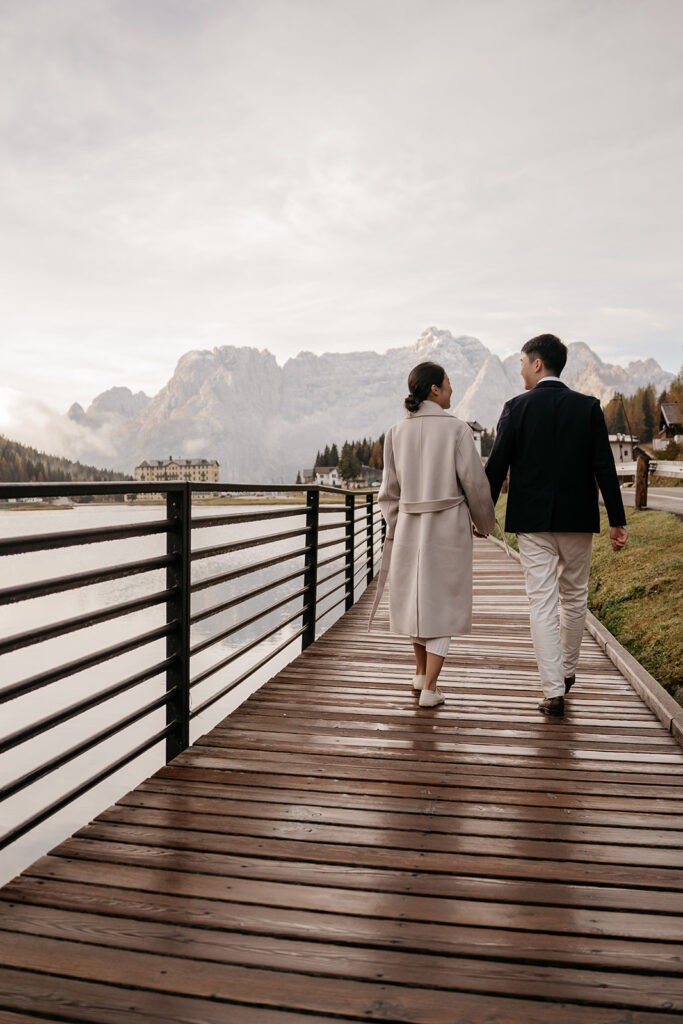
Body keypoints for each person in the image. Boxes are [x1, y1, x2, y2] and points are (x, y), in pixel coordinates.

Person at [485, 333, 628, 717]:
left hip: (532, 523)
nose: (519, 370)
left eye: (521, 362)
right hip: (578, 519)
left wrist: (480, 516)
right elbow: (605, 467)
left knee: (542, 601)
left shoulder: (516, 408)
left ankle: (553, 690)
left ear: (536, 364)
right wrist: (617, 520)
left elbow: (496, 468)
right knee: (575, 597)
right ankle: (567, 671)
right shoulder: (588, 408)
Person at [370, 361, 496, 707]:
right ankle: (431, 688)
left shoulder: (395, 432)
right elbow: (475, 483)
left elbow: (388, 493)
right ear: (434, 390)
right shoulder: (456, 430)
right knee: (444, 602)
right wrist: (484, 523)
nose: (453, 389)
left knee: (415, 600)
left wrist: (398, 523)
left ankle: (419, 673)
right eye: (449, 383)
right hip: (448, 525)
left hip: (410, 524)